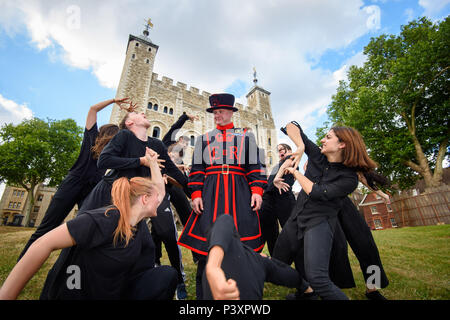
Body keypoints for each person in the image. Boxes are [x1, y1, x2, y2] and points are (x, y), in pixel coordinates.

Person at [0, 150, 178, 300]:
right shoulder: (106, 218)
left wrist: (153, 163)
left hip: (117, 291)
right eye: (157, 198)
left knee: (166, 275)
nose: (161, 201)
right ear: (145, 199)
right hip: (84, 294)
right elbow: (43, 244)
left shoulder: (138, 224)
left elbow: (158, 192)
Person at [273, 121, 378, 300]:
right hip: (299, 218)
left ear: (342, 144)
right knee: (278, 263)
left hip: (322, 217)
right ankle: (307, 291)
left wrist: (295, 172)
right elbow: (292, 125)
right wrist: (300, 145)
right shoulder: (318, 156)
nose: (322, 140)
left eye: (328, 137)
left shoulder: (348, 178)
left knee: (361, 247)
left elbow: (317, 192)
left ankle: (373, 288)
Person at [178, 93, 267, 299]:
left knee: (242, 245)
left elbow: (255, 165)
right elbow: (198, 169)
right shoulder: (204, 138)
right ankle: (204, 293)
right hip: (211, 193)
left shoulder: (246, 135)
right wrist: (197, 193)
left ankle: (244, 290)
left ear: (230, 112)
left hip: (240, 191)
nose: (216, 115)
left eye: (220, 111)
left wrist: (257, 190)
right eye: (214, 112)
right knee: (208, 244)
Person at [17, 97, 129, 261]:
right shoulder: (92, 138)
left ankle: (70, 265)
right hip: (74, 184)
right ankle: (24, 262)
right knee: (49, 227)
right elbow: (93, 110)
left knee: (81, 230)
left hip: (88, 189)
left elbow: (93, 109)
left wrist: (114, 101)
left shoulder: (109, 148)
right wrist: (116, 102)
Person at [203, 214, 302, 300]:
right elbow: (224, 220)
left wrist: (213, 267)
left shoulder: (258, 260)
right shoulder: (259, 261)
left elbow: (224, 221)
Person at [259, 143, 297, 256]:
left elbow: (289, 161)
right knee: (271, 233)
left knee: (290, 232)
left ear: (289, 150)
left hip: (284, 199)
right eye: (278, 150)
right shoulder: (279, 164)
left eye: (282, 150)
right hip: (271, 201)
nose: (280, 152)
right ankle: (275, 259)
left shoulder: (291, 159)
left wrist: (276, 179)